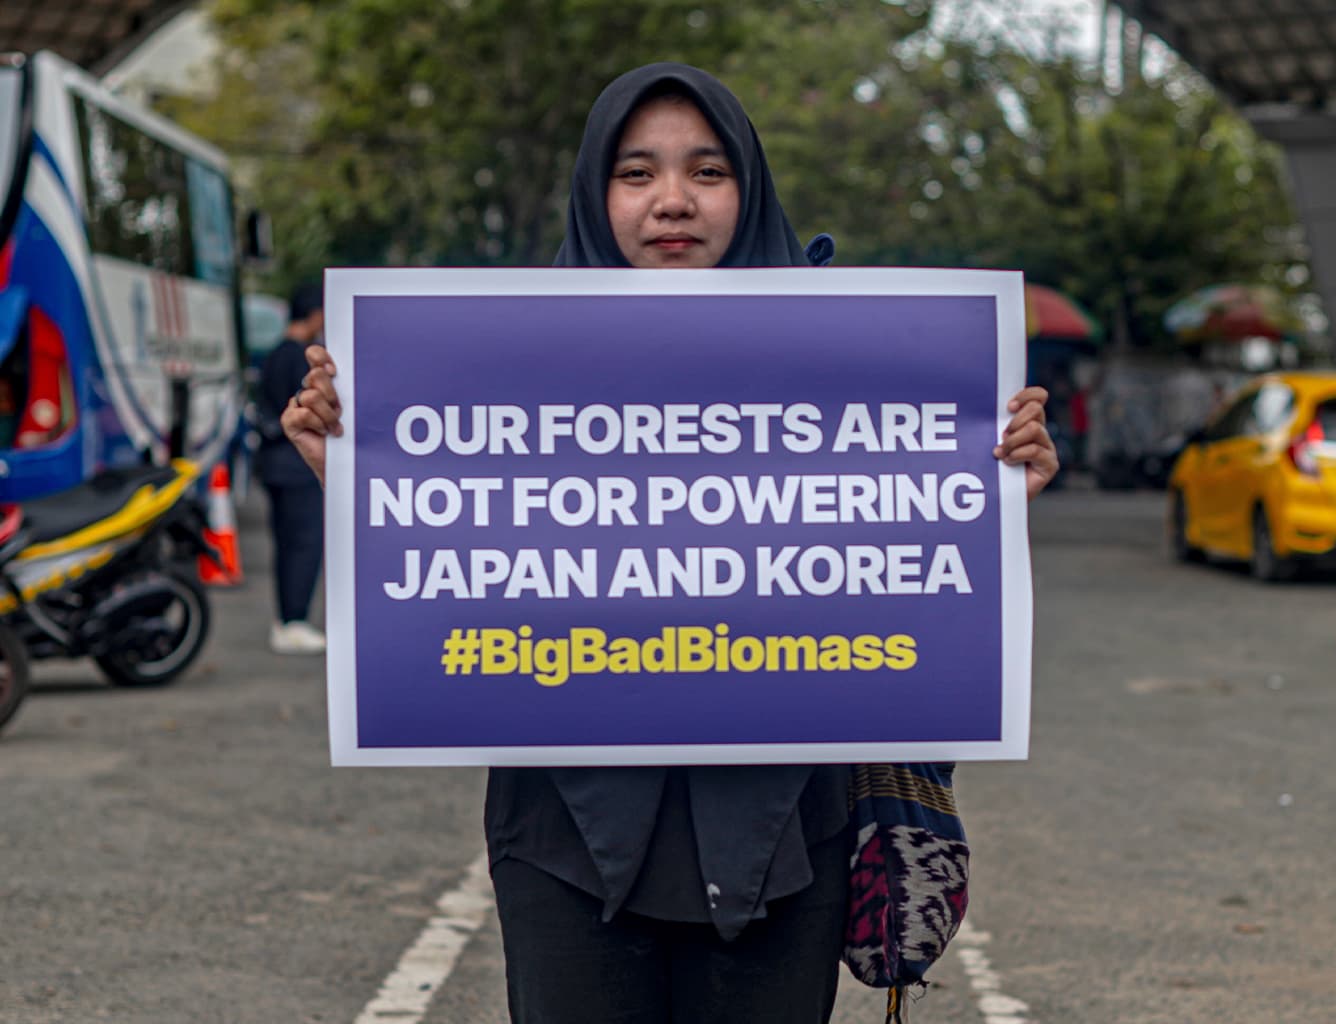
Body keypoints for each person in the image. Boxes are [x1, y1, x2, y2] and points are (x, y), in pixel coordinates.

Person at [280, 63, 1058, 1023]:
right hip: (565, 835)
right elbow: (459, 560)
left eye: (709, 171)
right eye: (637, 172)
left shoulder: (854, 367)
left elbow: (916, 594)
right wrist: (356, 476)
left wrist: (990, 487)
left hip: (788, 838)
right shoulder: (498, 371)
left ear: (752, 190)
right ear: (595, 193)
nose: (673, 201)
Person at [258, 282, 328, 655]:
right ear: (315, 314)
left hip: (272, 466)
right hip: (297, 464)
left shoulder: (272, 355)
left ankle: (285, 620)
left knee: (285, 544)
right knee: (304, 543)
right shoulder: (302, 359)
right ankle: (294, 621)